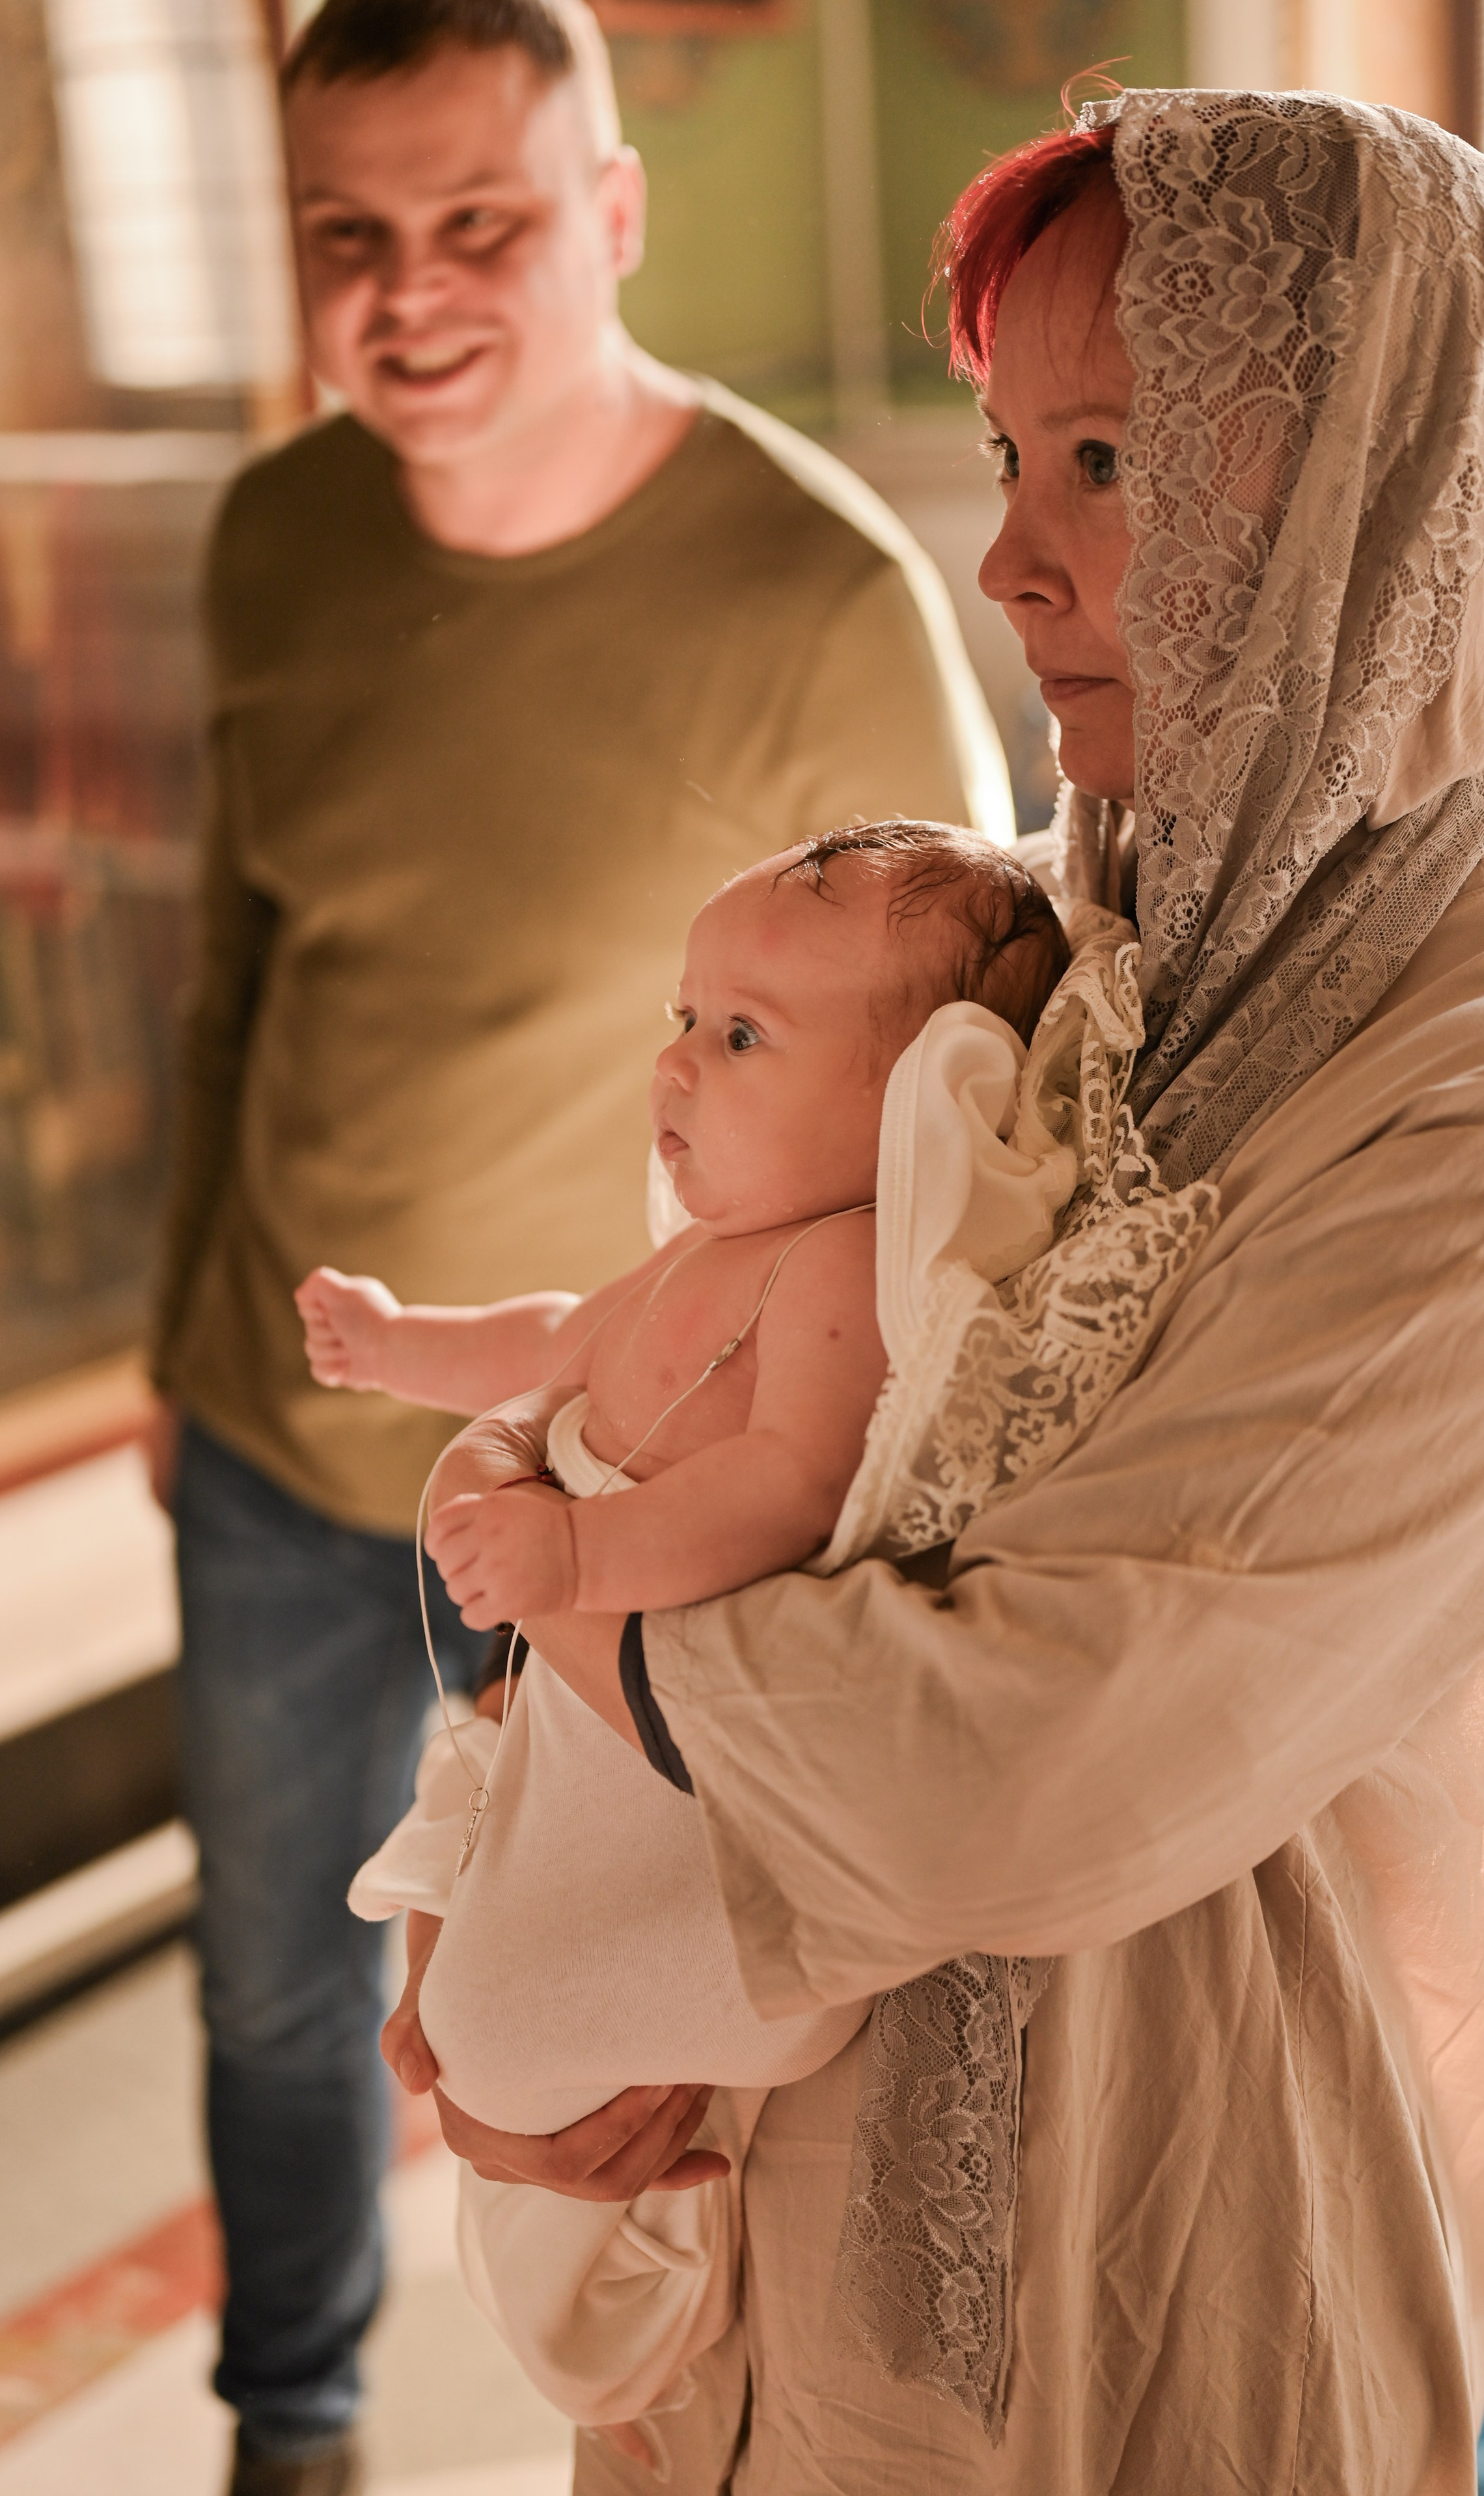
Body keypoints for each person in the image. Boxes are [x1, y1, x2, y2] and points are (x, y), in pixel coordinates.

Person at [416, 90, 1484, 2495]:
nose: (1006, 557)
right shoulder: (1049, 943)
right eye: (1009, 449)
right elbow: (673, 1361)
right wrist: (500, 1924)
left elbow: (1035, 1755)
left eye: (1116, 458)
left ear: (1390, 500)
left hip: (1159, 2251)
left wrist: (567, 1600)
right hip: (755, 2185)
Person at [144, 0, 1010, 2486]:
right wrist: (183, 1354)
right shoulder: (267, 534)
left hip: (628, 1503)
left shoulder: (818, 596)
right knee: (274, 2001)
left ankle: (663, 2415)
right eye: (350, 236)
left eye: (482, 224)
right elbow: (235, 972)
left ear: (612, 215)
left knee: (581, 2045)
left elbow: (951, 1131)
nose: (409, 292)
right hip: (267, 1442)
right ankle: (287, 2428)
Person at [292, 825, 1091, 2450]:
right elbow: (547, 1343)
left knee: (494, 2036)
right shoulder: (707, 1255)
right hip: (577, 1734)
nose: (678, 1061)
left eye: (741, 1036)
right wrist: (397, 1346)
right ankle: (604, 2239)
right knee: (465, 1988)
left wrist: (577, 1547)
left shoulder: (837, 1272)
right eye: (681, 1014)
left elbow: (784, 1487)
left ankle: (638, 2207)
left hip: (683, 1789)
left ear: (903, 1097)